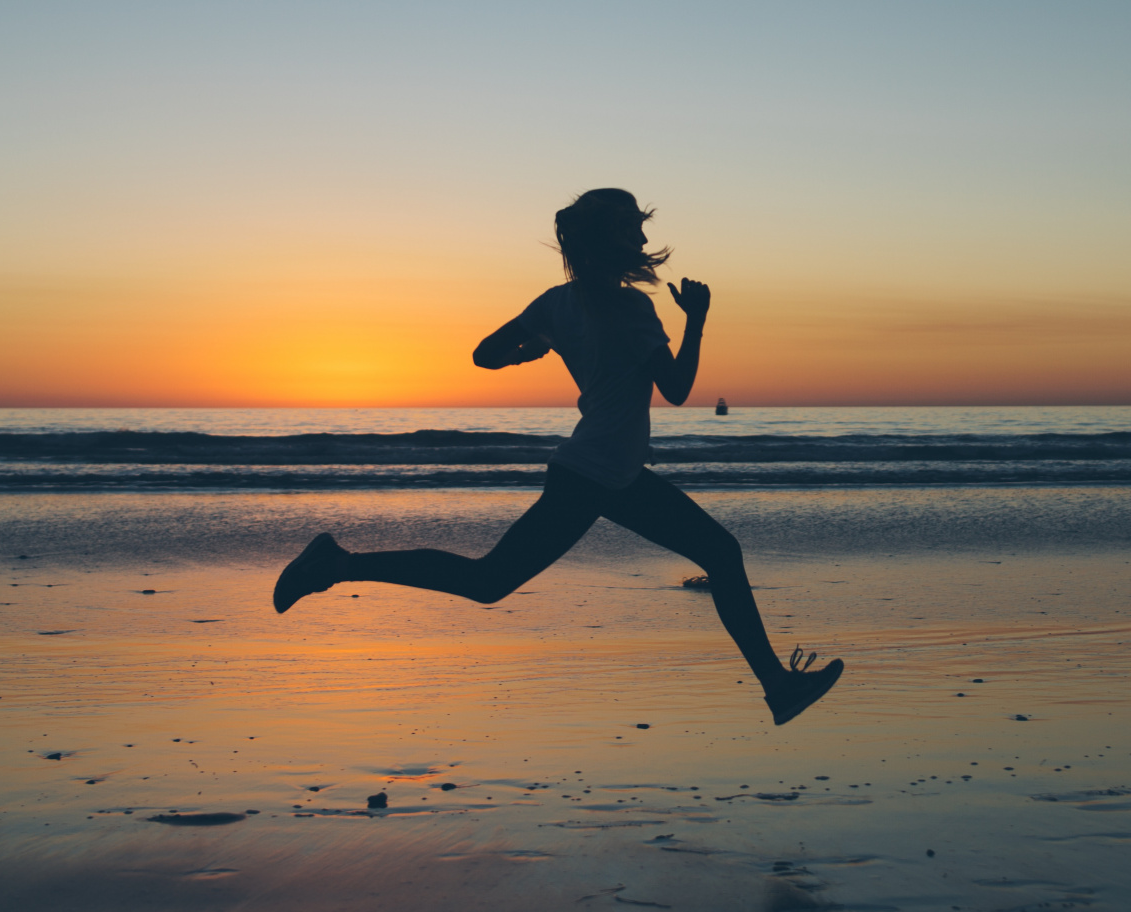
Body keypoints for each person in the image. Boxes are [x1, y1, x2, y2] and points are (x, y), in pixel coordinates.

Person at [271, 188, 843, 725]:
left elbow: (484, 355)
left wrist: (535, 349)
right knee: (489, 582)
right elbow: (676, 389)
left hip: (613, 475)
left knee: (717, 551)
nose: (643, 244)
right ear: (609, 239)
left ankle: (777, 686)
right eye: (632, 231)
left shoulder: (556, 304)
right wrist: (697, 320)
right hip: (593, 476)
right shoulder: (635, 311)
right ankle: (336, 564)